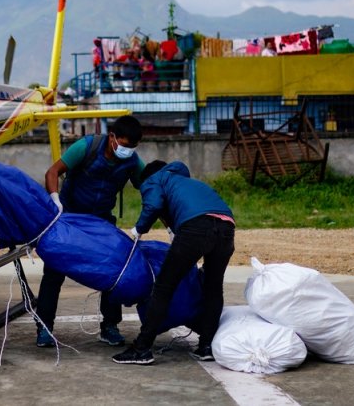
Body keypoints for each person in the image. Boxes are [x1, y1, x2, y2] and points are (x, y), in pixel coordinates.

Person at [35, 115, 145, 348]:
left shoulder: (132, 162)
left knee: (114, 271)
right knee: (54, 273)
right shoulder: (87, 146)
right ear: (112, 137)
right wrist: (55, 201)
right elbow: (52, 172)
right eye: (124, 145)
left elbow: (149, 185)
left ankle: (110, 326)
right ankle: (44, 328)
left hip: (101, 222)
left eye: (132, 147)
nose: (127, 150)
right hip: (70, 218)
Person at [112, 160, 236, 365]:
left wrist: (137, 230)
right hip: (226, 228)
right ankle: (206, 346)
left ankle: (142, 348)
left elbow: (153, 205)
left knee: (163, 287)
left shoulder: (154, 179)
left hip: (196, 228)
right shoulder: (190, 183)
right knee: (213, 288)